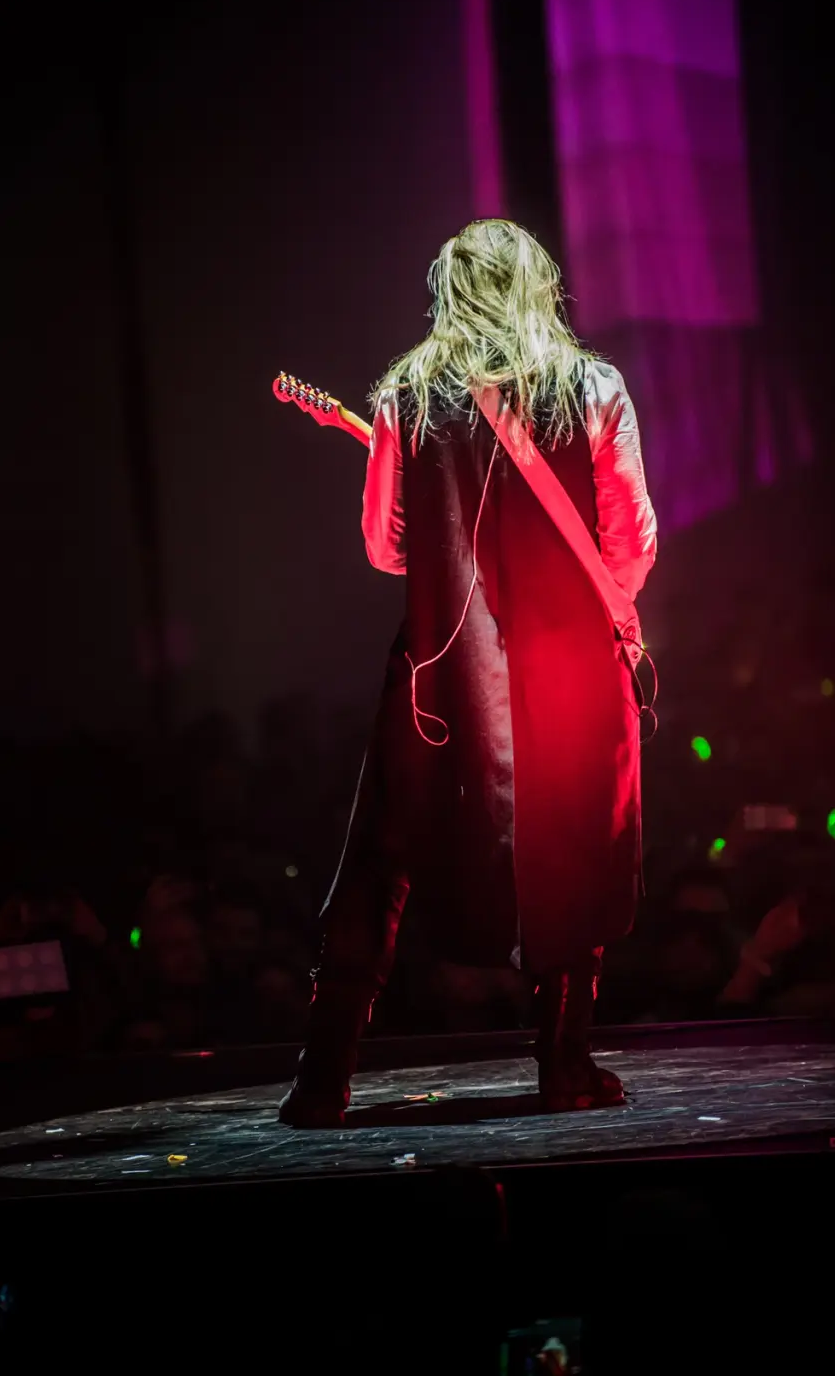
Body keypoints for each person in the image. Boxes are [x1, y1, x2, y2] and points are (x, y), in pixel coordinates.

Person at [279, 220, 657, 1125]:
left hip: (442, 677)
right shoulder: (596, 386)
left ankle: (321, 1080)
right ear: (538, 287)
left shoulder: (408, 395)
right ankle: (564, 1065)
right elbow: (631, 546)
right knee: (575, 849)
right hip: (569, 672)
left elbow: (387, 549)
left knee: (382, 859)